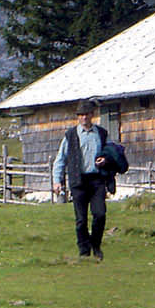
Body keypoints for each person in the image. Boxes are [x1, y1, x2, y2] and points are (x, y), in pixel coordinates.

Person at [53, 99, 115, 260]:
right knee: (81, 219)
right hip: (78, 181)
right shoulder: (71, 135)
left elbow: (111, 153)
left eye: (86, 114)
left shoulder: (101, 134)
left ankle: (96, 245)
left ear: (92, 115)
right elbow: (61, 158)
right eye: (80, 115)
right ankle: (84, 250)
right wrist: (57, 180)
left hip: (97, 180)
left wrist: (106, 160)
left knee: (100, 214)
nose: (84, 118)